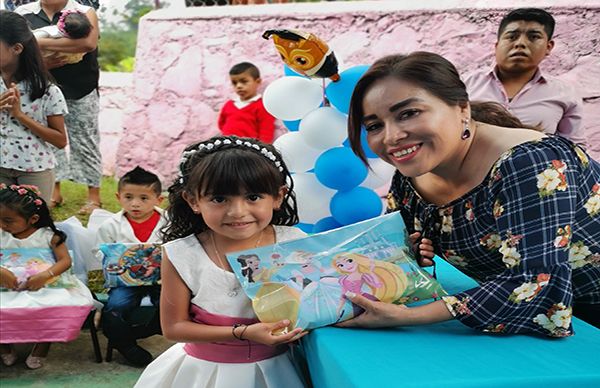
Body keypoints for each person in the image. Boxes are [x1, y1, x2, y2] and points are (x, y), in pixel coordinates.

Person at [339, 52, 600, 336]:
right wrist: (410, 254)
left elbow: (535, 281)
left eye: (409, 113)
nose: (391, 137)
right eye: (375, 126)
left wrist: (406, 316)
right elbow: (395, 251)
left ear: (462, 108)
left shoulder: (530, 162)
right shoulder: (410, 174)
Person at [134, 136, 307, 388]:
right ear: (193, 201)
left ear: (278, 197)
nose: (237, 211)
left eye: (254, 197)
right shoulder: (181, 254)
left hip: (277, 371)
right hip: (202, 374)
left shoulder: (294, 243)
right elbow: (173, 327)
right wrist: (243, 333)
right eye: (219, 199)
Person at [15, 0, 103, 215]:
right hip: (41, 88)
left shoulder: (84, 11)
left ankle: (94, 197)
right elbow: (17, 49)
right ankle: (54, 192)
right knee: (48, 141)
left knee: (86, 139)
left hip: (81, 86)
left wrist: (37, 44)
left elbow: (88, 44)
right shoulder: (23, 13)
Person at [0, 183, 94, 369]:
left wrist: (45, 275)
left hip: (44, 284)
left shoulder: (49, 236)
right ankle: (4, 345)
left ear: (33, 218)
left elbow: (64, 261)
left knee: (51, 306)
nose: (2, 225)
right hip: (5, 285)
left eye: (8, 221)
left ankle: (43, 345)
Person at [464, 8, 586, 146]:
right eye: (511, 36)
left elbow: (575, 149)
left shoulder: (565, 94)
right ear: (497, 45)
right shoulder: (465, 85)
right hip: (475, 167)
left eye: (533, 37)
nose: (520, 43)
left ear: (548, 47)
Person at [95, 166, 166, 367]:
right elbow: (100, 251)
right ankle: (126, 345)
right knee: (116, 306)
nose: (135, 204)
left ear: (158, 200)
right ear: (118, 197)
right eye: (128, 197)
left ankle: (147, 329)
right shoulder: (110, 225)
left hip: (162, 278)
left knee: (170, 303)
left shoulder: (169, 222)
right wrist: (115, 258)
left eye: (144, 198)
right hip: (125, 281)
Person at [0, 10, 68, 203]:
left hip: (34, 171)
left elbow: (60, 140)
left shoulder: (47, 91)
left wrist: (20, 115)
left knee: (33, 228)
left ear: (17, 48)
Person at [218, 62, 276, 143]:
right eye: (234, 83)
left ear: (258, 81)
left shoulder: (263, 106)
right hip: (227, 147)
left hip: (248, 150)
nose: (238, 86)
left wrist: (261, 149)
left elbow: (266, 132)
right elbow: (221, 124)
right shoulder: (229, 104)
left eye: (244, 81)